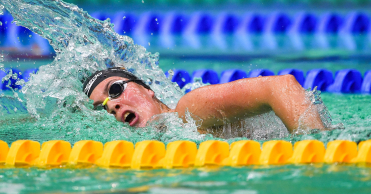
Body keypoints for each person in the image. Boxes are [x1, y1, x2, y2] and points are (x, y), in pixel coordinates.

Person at [83, 67, 326, 136]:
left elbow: (279, 86)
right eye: (102, 108)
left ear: (148, 89)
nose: (112, 105)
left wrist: (317, 144)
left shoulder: (189, 111)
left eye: (115, 90)